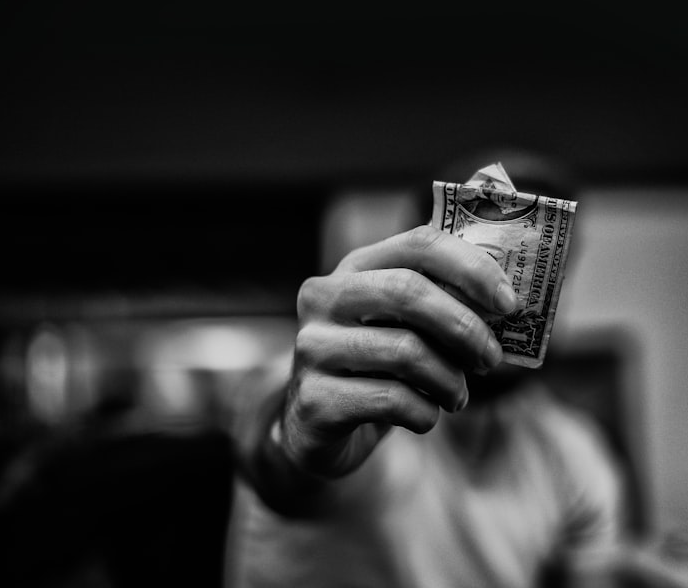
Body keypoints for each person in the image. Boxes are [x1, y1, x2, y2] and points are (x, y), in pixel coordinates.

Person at [225, 187, 630, 587]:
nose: (509, 287)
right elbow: (273, 457)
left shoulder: (575, 453)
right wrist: (297, 440)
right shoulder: (338, 378)